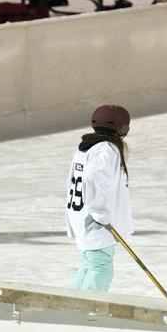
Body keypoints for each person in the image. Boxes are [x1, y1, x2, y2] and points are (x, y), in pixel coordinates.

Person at [63, 105, 134, 291]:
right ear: (122, 128)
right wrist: (101, 215)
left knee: (90, 263)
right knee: (100, 267)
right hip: (94, 220)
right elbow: (95, 179)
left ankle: (74, 303)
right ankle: (88, 307)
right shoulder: (106, 150)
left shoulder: (88, 146)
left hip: (82, 216)